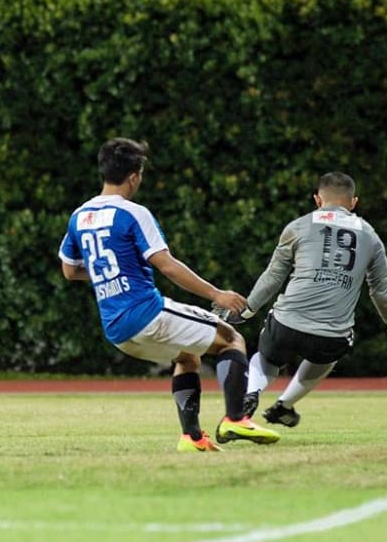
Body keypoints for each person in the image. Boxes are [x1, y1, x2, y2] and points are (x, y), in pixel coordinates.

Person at [58, 137, 280, 452]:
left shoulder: (79, 216)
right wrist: (217, 294)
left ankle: (192, 437)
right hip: (146, 314)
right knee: (231, 339)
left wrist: (111, 274)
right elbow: (167, 266)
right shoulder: (132, 212)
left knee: (187, 357)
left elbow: (69, 270)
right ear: (133, 177)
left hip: (116, 329)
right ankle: (235, 418)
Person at [216, 171, 387, 428]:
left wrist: (246, 311)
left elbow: (274, 276)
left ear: (317, 199)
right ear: (353, 202)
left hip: (286, 323)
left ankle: (252, 392)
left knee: (268, 358)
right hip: (331, 335)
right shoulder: (372, 237)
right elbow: (381, 292)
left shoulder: (298, 226)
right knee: (326, 357)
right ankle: (284, 405)